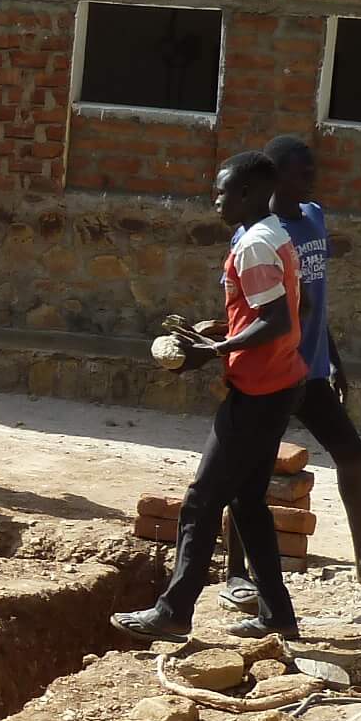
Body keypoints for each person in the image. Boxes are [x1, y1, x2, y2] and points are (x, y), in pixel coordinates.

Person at [113, 151, 307, 643]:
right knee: (247, 502)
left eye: (221, 192)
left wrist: (215, 349)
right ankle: (277, 615)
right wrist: (218, 330)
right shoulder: (271, 235)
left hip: (259, 392)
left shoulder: (255, 247)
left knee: (201, 503)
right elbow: (263, 314)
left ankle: (174, 611)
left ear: (245, 194)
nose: (215, 200)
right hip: (277, 383)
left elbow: (278, 321)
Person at [221, 135, 361, 597]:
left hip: (312, 370)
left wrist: (334, 358)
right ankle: (236, 574)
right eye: (303, 172)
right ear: (276, 178)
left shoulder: (315, 218)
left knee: (351, 451)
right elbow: (262, 311)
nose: (313, 179)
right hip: (272, 374)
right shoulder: (254, 236)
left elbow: (314, 302)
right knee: (248, 476)